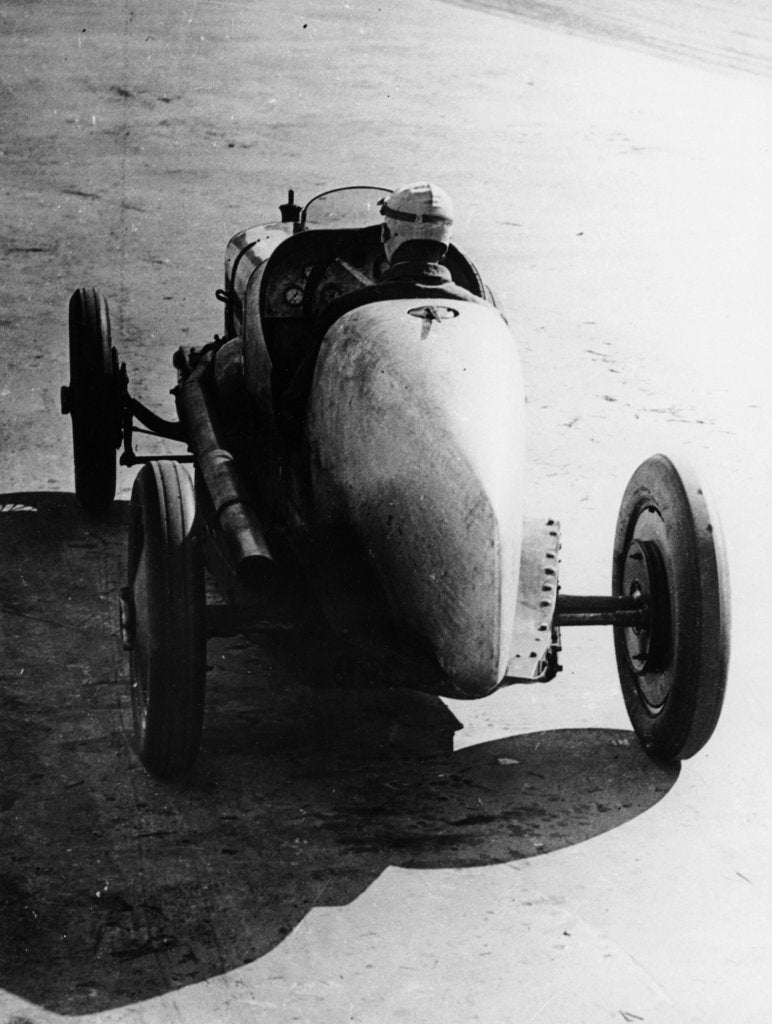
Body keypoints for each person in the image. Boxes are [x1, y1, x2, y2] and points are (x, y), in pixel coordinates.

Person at [277, 182, 486, 440]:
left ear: (387, 234)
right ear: (446, 242)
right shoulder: (484, 314)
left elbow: (293, 406)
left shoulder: (343, 310)